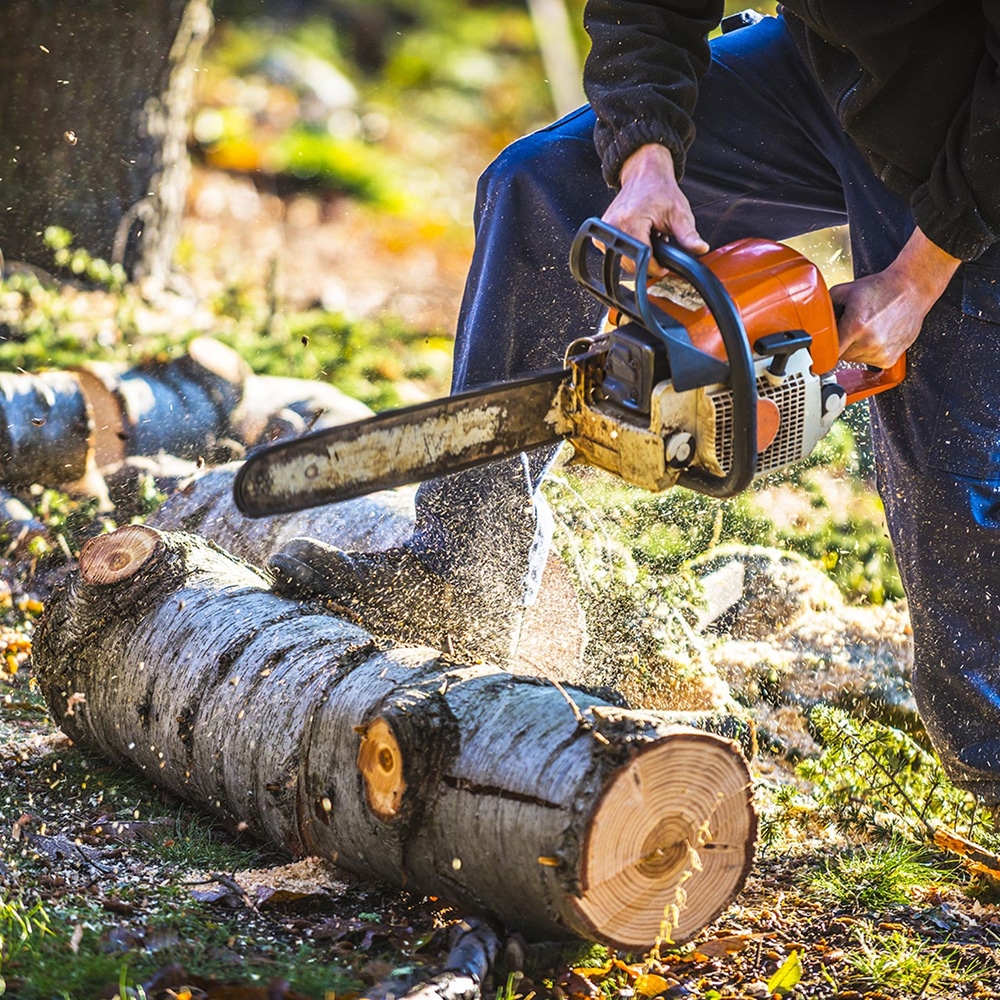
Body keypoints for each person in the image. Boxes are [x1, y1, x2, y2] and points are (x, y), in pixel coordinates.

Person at [271, 3, 1000, 806]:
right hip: (828, 64)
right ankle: (462, 574)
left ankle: (990, 766)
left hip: (977, 129)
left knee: (950, 468)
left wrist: (917, 278)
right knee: (544, 185)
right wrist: (647, 156)